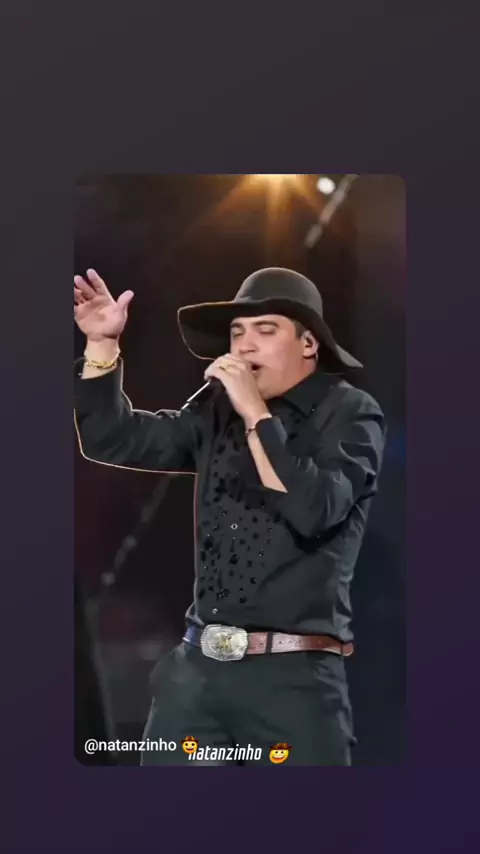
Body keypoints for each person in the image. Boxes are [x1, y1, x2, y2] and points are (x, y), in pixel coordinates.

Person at [73, 266, 386, 766]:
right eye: (237, 332)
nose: (245, 344)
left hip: (293, 683)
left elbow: (316, 509)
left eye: (266, 329)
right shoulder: (216, 412)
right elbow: (113, 439)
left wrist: (255, 414)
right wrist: (102, 346)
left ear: (308, 344)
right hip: (196, 676)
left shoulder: (349, 412)